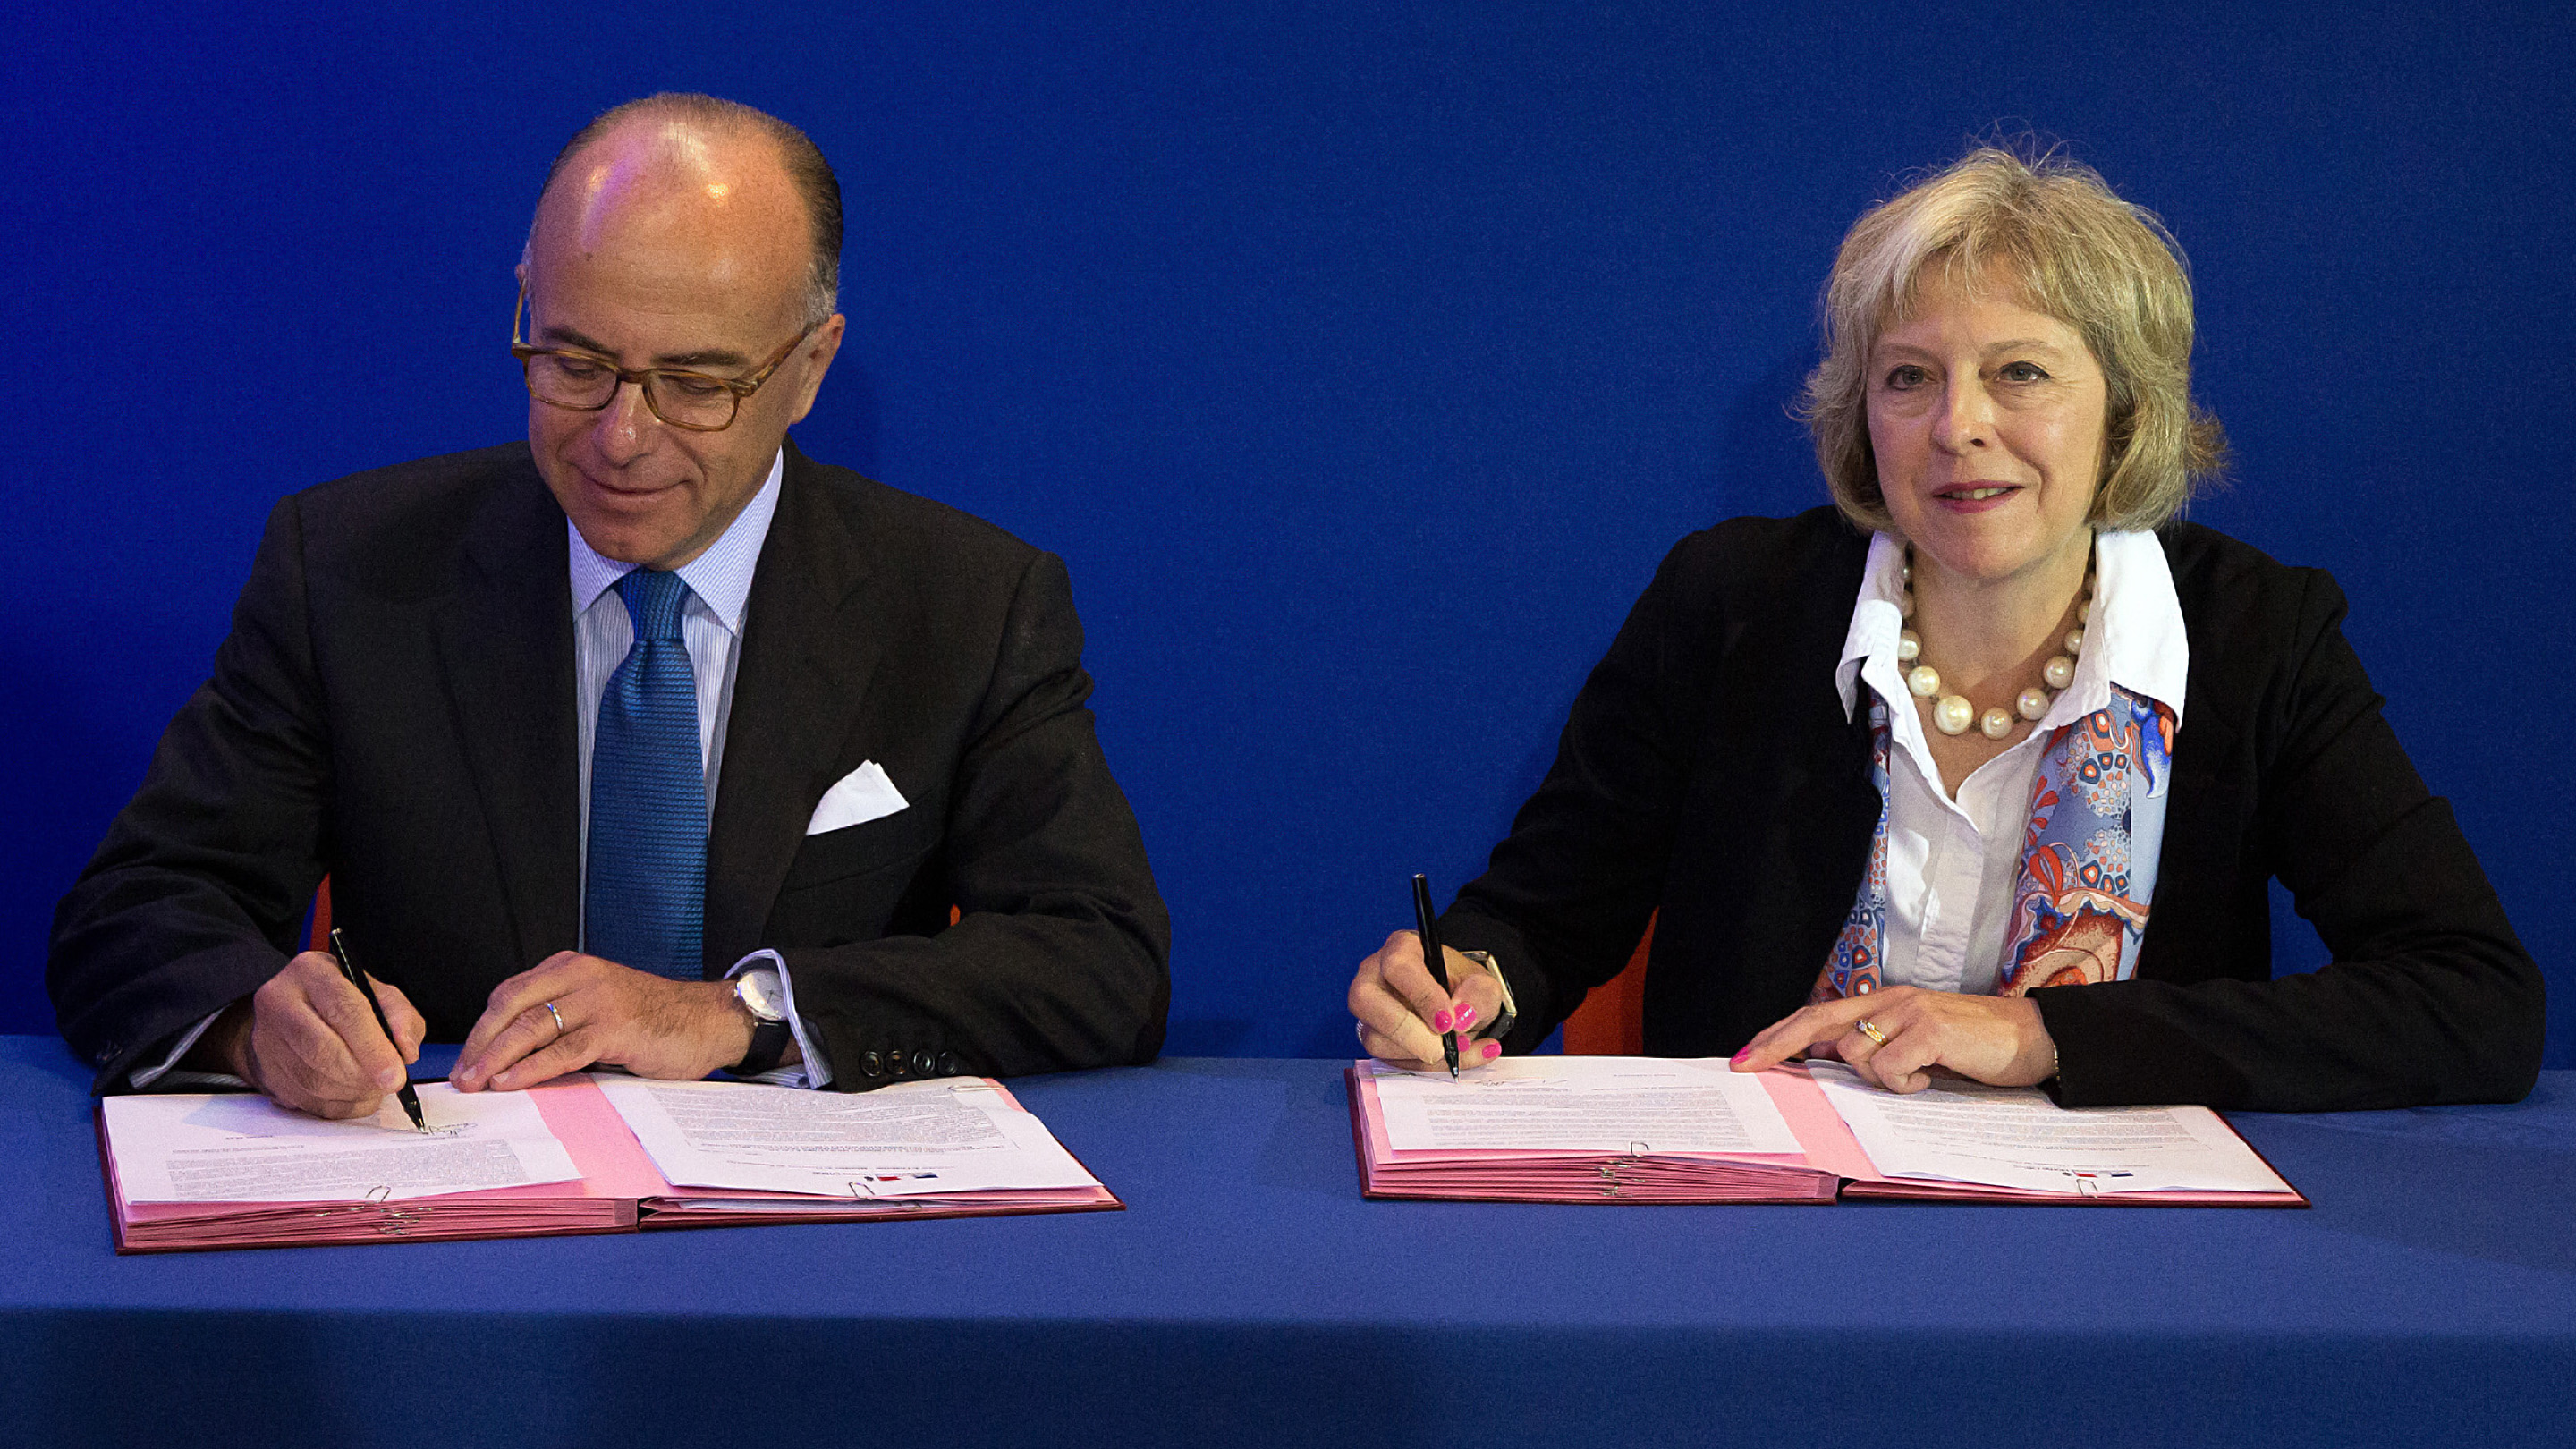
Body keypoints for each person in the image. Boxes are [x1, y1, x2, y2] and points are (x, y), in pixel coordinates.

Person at [1348, 147, 2542, 1112]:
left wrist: (2040, 1034)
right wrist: (1466, 976)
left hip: (2123, 1254)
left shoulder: (2254, 636)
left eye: (2021, 372)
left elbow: (2473, 1001)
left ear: (2124, 414)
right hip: (1759, 1233)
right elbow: (1542, 913)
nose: (1958, 426)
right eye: (1909, 377)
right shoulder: (1732, 602)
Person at [50, 94, 1170, 1119]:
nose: (620, 438)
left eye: (695, 385)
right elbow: (140, 908)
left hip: (816, 1247)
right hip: (456, 1228)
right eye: (575, 362)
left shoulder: (965, 603)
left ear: (810, 367)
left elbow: (1100, 959)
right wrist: (256, 1025)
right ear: (526, 305)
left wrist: (739, 1015)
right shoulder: (349, 569)